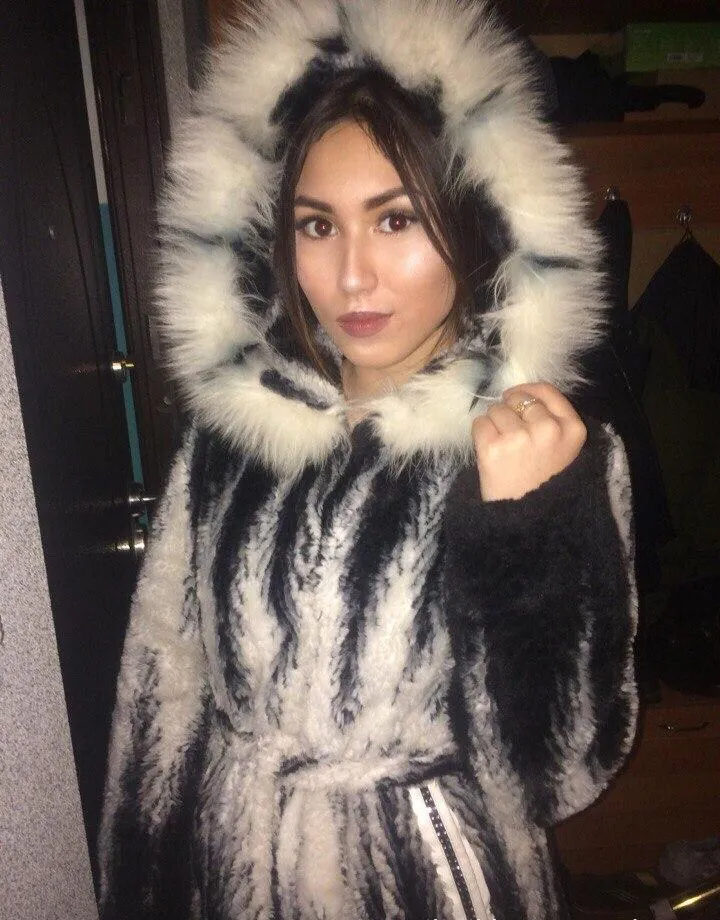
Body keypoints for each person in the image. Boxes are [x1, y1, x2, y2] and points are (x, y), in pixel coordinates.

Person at [98, 2, 638, 919]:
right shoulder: (235, 440)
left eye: (396, 221)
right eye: (317, 226)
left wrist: (525, 530)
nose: (352, 276)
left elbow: (555, 777)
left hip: (437, 881)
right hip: (239, 876)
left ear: (477, 221)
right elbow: (163, 692)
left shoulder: (549, 457)